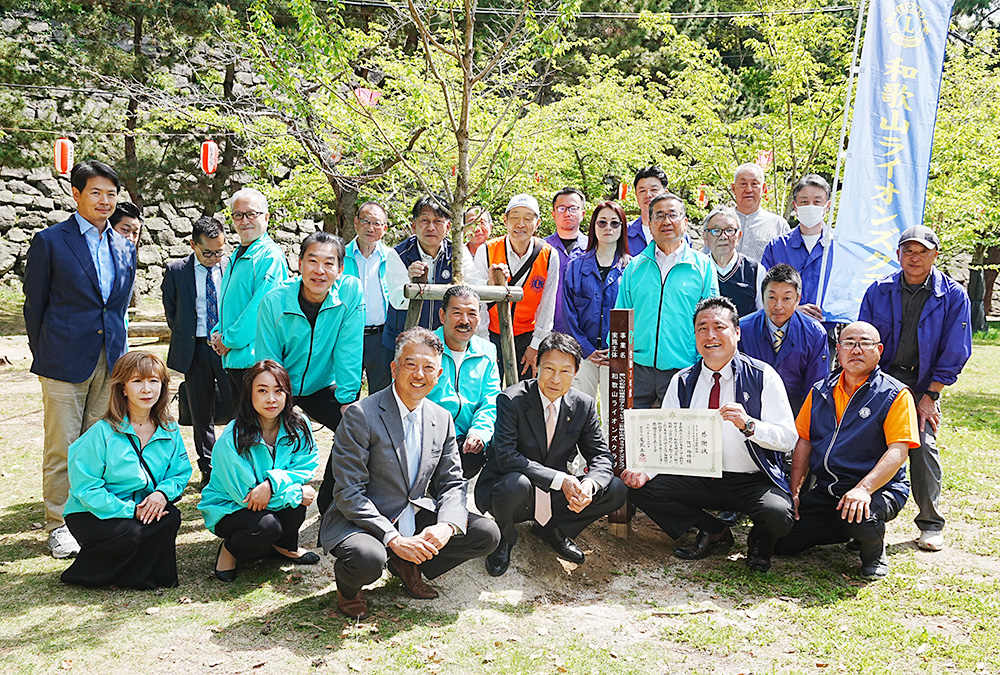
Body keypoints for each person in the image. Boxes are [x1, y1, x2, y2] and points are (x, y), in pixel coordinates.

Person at [320, 328, 501, 620]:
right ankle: (349, 588)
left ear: (439, 374)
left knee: (485, 534)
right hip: (363, 518)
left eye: (428, 367)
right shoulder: (361, 415)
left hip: (413, 513)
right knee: (368, 559)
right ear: (394, 368)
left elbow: (452, 483)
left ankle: (408, 564)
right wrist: (393, 538)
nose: (419, 374)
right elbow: (349, 493)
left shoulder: (441, 418)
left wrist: (446, 525)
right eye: (410, 364)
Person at [622, 297, 798, 572]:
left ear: (737, 333)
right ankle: (713, 530)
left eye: (719, 327)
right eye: (702, 328)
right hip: (700, 477)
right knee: (639, 488)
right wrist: (644, 471)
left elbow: (789, 438)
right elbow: (667, 441)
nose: (710, 335)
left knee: (778, 514)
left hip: (751, 480)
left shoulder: (764, 376)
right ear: (694, 336)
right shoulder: (682, 381)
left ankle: (759, 543)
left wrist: (750, 425)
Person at [23, 159, 137, 558]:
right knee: (62, 446)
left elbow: (118, 308)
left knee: (98, 444)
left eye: (111, 193)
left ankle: (90, 516)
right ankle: (59, 524)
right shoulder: (51, 241)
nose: (105, 201)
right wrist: (47, 354)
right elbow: (34, 307)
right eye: (96, 192)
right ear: (76, 194)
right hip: (62, 360)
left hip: (111, 361)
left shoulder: (125, 246)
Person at [775, 322, 920, 580]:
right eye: (849, 343)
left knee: (861, 517)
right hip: (829, 489)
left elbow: (898, 451)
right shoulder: (821, 391)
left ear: (879, 350)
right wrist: (794, 492)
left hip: (878, 489)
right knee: (781, 542)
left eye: (865, 343)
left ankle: (873, 550)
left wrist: (863, 490)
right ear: (838, 350)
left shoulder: (895, 394)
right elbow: (804, 442)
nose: (856, 349)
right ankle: (845, 527)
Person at [858, 226, 972, 552]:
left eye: (923, 252)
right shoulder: (878, 291)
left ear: (935, 255)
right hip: (880, 381)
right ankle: (862, 516)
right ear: (898, 255)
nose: (915, 258)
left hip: (923, 386)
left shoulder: (952, 296)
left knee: (922, 446)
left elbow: (956, 350)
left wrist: (931, 395)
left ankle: (931, 523)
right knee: (863, 441)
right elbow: (865, 340)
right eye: (909, 251)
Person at [476, 332, 627, 577]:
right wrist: (562, 480)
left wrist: (589, 484)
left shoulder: (584, 405)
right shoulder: (511, 400)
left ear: (576, 371)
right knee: (514, 483)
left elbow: (601, 457)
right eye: (549, 368)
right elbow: (506, 456)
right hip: (513, 491)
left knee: (616, 489)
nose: (556, 379)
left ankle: (552, 529)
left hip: (553, 495)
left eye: (565, 371)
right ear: (536, 366)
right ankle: (505, 538)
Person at [61, 351, 192, 589]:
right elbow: (86, 489)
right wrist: (131, 510)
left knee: (170, 517)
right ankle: (86, 573)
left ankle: (139, 576)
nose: (146, 389)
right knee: (133, 534)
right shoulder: (101, 433)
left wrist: (161, 494)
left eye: (154, 381)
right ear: (123, 388)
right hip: (92, 513)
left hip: (143, 508)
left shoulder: (169, 428)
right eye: (137, 381)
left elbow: (180, 472)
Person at [257, 232, 364, 515]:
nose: (320, 270)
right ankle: (275, 502)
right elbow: (268, 361)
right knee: (276, 435)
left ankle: (330, 504)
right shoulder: (274, 300)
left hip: (321, 384)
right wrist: (279, 401)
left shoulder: (349, 293)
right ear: (300, 263)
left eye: (329, 263)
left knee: (354, 427)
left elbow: (349, 348)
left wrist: (348, 398)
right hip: (280, 386)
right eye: (312, 261)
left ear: (340, 269)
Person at [199, 360, 320, 582]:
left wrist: (271, 484)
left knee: (294, 510)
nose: (271, 399)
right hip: (231, 507)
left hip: (269, 497)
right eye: (262, 391)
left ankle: (284, 546)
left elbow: (307, 465)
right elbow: (248, 497)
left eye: (278, 390)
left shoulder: (299, 423)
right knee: (267, 526)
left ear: (287, 393)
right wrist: (295, 492)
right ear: (249, 394)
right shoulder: (231, 437)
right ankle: (229, 550)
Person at [614, 193, 718, 409]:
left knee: (675, 438)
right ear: (650, 224)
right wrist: (621, 365)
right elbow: (621, 317)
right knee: (635, 436)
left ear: (685, 222)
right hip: (638, 369)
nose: (666, 221)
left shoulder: (703, 266)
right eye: (659, 216)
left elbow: (712, 318)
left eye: (673, 215)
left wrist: (703, 361)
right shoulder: (635, 267)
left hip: (684, 367)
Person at [161, 215, 233, 487]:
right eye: (208, 252)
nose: (215, 257)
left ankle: (236, 461)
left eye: (219, 251)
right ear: (192, 244)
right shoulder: (177, 270)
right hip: (195, 348)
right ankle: (208, 467)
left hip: (228, 348)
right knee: (201, 412)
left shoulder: (231, 265)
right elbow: (172, 311)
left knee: (236, 406)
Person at [211, 187, 289, 406]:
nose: (244, 220)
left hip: (254, 360)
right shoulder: (238, 254)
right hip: (235, 359)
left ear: (266, 217)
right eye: (238, 215)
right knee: (243, 427)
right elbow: (233, 304)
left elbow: (261, 308)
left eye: (251, 214)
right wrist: (218, 331)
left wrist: (227, 339)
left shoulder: (269, 255)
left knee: (255, 428)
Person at [471, 194, 560, 381]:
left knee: (526, 394)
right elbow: (478, 301)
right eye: (515, 217)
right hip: (491, 332)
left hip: (528, 335)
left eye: (528, 218)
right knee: (488, 389)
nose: (521, 224)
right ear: (505, 221)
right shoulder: (486, 250)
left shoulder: (549, 255)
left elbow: (547, 305)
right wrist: (484, 342)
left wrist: (535, 345)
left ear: (538, 223)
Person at [562, 200, 630, 428]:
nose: (608, 228)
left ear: (622, 228)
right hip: (584, 355)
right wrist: (587, 350)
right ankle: (582, 465)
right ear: (593, 227)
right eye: (602, 223)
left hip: (618, 355)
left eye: (614, 223)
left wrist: (618, 348)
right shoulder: (576, 266)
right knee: (580, 415)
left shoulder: (632, 268)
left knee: (616, 418)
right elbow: (569, 313)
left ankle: (613, 464)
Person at [426, 285, 501, 479]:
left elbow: (490, 400)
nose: (465, 321)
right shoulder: (424, 348)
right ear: (442, 316)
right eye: (457, 313)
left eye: (472, 314)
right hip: (427, 436)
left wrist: (479, 433)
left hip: (465, 440)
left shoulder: (487, 352)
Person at [739, 264, 829, 414]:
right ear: (762, 296)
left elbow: (817, 388)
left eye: (786, 298)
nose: (778, 306)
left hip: (797, 408)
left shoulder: (814, 333)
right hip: (752, 407)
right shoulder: (742, 329)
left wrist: (806, 429)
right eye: (772, 297)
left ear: (798, 299)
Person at [761, 174, 833, 325]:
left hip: (828, 332)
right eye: (804, 202)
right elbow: (765, 291)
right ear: (795, 206)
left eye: (817, 202)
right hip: (784, 327)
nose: (811, 206)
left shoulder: (837, 247)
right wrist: (793, 308)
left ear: (827, 206)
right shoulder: (778, 246)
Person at [343, 202, 393, 394]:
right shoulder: (340, 255)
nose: (370, 228)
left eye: (376, 223)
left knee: (381, 394)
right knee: (345, 391)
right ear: (356, 223)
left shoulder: (393, 258)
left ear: (384, 229)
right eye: (365, 221)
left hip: (381, 336)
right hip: (347, 335)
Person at [702, 206, 764, 318]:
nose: (723, 236)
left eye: (729, 230)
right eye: (716, 231)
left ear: (739, 236)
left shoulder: (755, 270)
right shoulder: (698, 268)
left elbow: (762, 314)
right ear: (705, 237)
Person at [544, 187, 589, 334]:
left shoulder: (593, 248)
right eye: (561, 208)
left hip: (584, 333)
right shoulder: (541, 248)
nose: (567, 213)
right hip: (546, 331)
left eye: (573, 208)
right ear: (553, 214)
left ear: (582, 214)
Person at [730, 163, 790, 262]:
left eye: (754, 184)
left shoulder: (778, 225)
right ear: (733, 188)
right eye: (743, 184)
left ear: (764, 188)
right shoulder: (720, 221)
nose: (749, 190)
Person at [626, 165, 669, 256]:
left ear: (666, 194)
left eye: (654, 189)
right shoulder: (624, 233)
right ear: (636, 195)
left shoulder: (677, 232)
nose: (648, 195)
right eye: (642, 191)